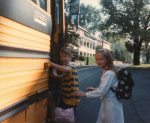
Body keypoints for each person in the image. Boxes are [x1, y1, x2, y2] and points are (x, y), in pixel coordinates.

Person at [74, 49, 124, 123]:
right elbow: (109, 88)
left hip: (111, 106)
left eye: (101, 59)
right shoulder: (106, 71)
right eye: (97, 59)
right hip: (108, 103)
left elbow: (101, 91)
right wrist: (95, 89)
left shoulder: (109, 74)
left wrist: (84, 94)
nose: (98, 61)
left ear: (107, 59)